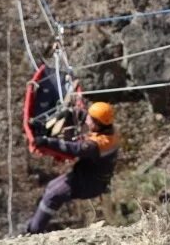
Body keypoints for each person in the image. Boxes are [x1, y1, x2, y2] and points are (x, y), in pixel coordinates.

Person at [25, 101, 120, 235]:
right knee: (51, 187)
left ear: (97, 124)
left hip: (89, 183)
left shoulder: (96, 146)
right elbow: (90, 119)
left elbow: (73, 149)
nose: (86, 119)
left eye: (89, 118)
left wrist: (46, 141)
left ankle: (33, 231)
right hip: (86, 174)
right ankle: (35, 222)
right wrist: (75, 112)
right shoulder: (110, 130)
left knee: (53, 195)